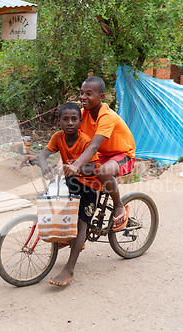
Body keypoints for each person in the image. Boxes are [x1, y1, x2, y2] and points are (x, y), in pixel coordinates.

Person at [20, 102, 102, 287]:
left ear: (80, 121)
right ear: (59, 121)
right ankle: (70, 237)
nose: (70, 122)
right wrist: (44, 169)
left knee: (82, 223)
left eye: (74, 119)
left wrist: (75, 168)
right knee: (59, 206)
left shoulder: (85, 141)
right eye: (65, 119)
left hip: (90, 183)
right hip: (72, 181)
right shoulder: (58, 137)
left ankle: (69, 269)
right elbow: (42, 156)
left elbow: (93, 167)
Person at [63, 76, 136, 232]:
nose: (83, 97)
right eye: (81, 93)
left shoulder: (106, 116)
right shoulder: (83, 115)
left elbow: (94, 146)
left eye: (88, 94)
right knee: (76, 175)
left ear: (101, 96)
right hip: (103, 154)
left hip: (122, 154)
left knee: (103, 171)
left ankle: (119, 206)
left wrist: (76, 164)